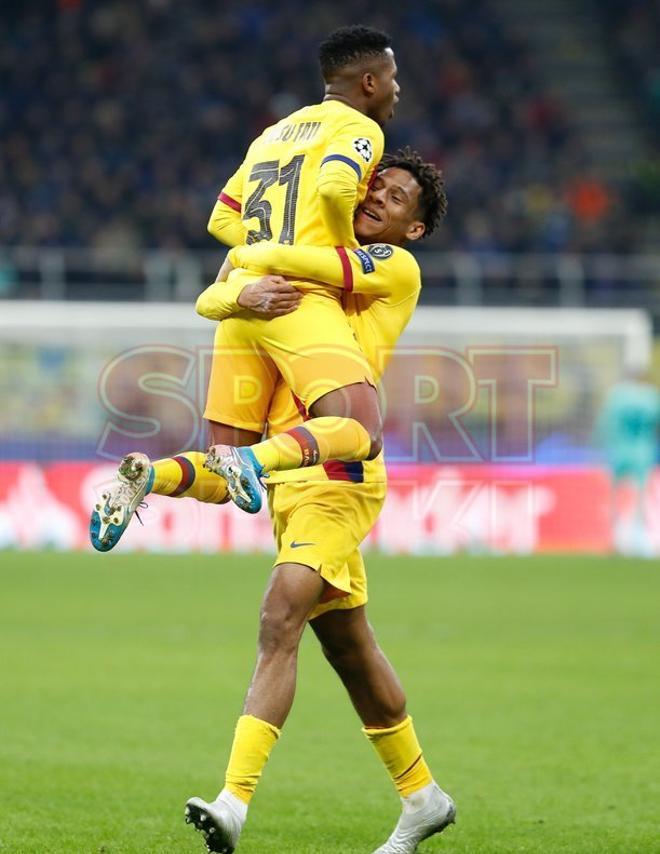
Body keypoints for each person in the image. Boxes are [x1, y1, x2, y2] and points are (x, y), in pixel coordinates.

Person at [90, 150, 455, 853]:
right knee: (351, 652)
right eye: (377, 183)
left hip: (340, 472)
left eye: (399, 197)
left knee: (279, 613)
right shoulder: (300, 269)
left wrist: (250, 262)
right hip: (286, 470)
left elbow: (284, 270)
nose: (380, 195)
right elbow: (214, 299)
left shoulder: (393, 268)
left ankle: (232, 802)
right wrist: (241, 296)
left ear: (414, 229)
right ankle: (423, 797)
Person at [198, 24, 401, 514]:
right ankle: (257, 462)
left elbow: (221, 217)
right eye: (395, 77)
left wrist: (268, 249)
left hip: (245, 299)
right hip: (300, 299)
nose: (399, 89)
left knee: (220, 469)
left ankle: (147, 475)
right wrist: (345, 249)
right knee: (360, 428)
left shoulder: (274, 133)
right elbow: (334, 187)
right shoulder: (359, 127)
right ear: (369, 82)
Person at [596, 371, 660, 557]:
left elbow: (606, 423)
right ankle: (639, 537)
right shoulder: (651, 397)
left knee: (615, 494)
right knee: (641, 496)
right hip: (642, 450)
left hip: (619, 450)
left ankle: (616, 538)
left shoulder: (617, 396)